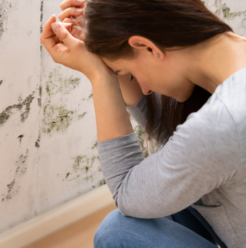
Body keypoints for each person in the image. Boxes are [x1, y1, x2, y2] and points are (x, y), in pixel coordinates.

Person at [40, 0, 246, 247]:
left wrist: (100, 76)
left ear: (146, 46)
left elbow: (127, 193)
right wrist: (105, 35)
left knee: (118, 233)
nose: (145, 89)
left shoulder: (224, 120)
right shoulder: (233, 62)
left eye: (129, 74)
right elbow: (183, 143)